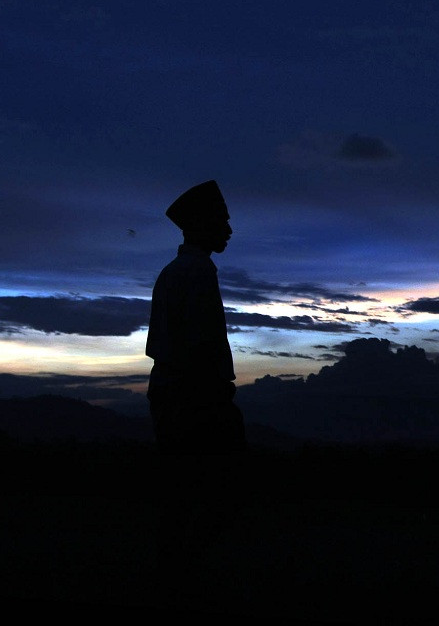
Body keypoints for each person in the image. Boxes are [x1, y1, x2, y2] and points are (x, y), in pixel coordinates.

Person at [146, 179, 246, 600]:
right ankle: (187, 577)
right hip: (195, 395)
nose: (228, 228)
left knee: (183, 491)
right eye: (221, 220)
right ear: (201, 225)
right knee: (213, 490)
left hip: (173, 392)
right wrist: (217, 397)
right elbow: (201, 342)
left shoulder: (174, 271)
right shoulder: (197, 271)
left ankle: (176, 572)